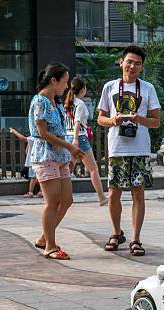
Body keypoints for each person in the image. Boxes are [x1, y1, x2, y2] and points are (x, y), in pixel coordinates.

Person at [97, 45, 161, 256]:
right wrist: (113, 120)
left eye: (137, 63)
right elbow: (100, 119)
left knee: (138, 193)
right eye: (129, 62)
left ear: (142, 67)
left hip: (140, 147)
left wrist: (139, 119)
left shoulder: (148, 89)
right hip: (117, 148)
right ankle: (116, 233)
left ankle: (136, 238)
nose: (132, 66)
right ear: (121, 62)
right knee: (114, 193)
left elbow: (156, 122)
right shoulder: (110, 87)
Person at [28, 62, 84, 260]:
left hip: (59, 156)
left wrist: (68, 152)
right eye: (65, 82)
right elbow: (42, 133)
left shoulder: (56, 103)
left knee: (66, 200)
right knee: (52, 202)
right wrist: (70, 147)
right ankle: (50, 246)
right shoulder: (40, 101)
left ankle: (45, 237)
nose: (67, 87)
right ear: (53, 80)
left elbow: (59, 131)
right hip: (45, 156)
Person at [64, 76, 107, 206]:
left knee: (68, 170)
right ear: (83, 89)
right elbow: (77, 122)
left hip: (67, 137)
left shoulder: (67, 102)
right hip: (79, 138)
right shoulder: (80, 104)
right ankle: (102, 197)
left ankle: (64, 197)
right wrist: (76, 139)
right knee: (93, 169)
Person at [9, 127, 42, 198]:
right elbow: (27, 149)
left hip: (33, 161)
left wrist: (14, 131)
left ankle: (30, 192)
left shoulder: (33, 138)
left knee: (33, 178)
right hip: (41, 161)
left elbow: (23, 138)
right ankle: (41, 191)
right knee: (41, 177)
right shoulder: (42, 138)